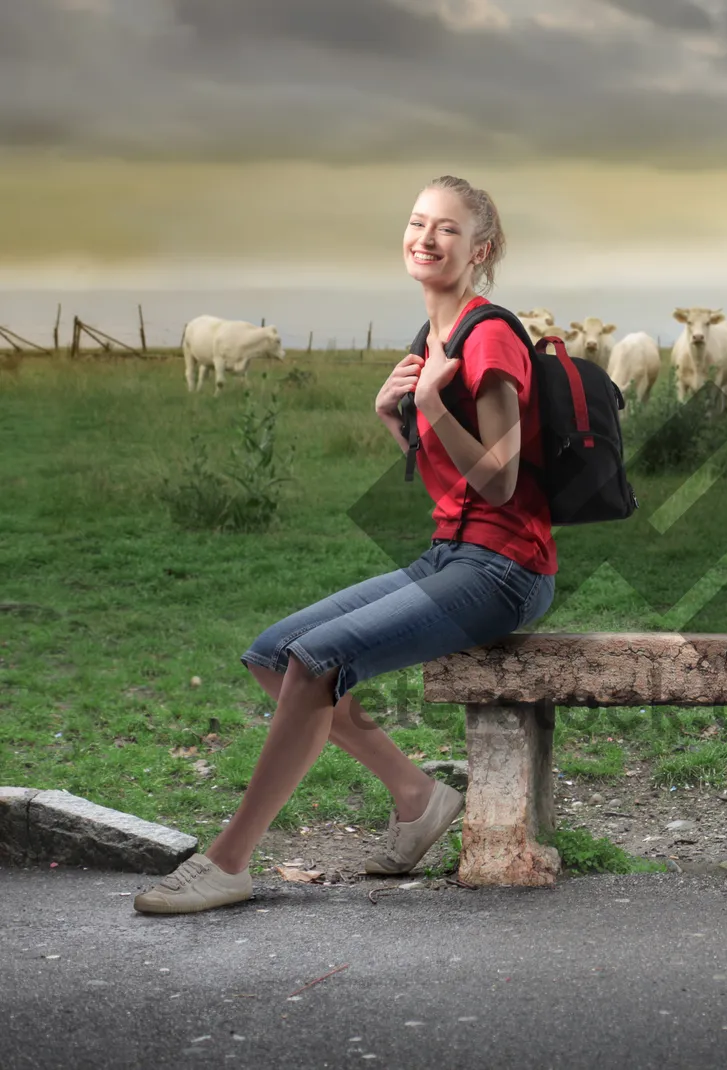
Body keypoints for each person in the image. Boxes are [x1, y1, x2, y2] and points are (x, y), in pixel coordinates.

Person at [134, 175, 557, 914]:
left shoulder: (487, 335)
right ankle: (417, 795)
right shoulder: (436, 337)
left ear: (481, 249)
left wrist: (428, 401)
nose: (426, 237)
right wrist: (396, 418)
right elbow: (453, 490)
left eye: (448, 229)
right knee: (273, 654)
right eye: (418, 221)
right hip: (453, 555)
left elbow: (500, 482)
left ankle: (229, 860)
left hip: (506, 569)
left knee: (316, 660)